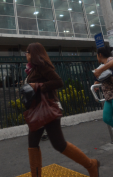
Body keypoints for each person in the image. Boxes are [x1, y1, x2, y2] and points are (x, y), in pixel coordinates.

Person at [25, 42, 100, 177]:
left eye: (28, 52)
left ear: (34, 54)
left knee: (59, 144)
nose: (26, 54)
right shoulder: (33, 69)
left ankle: (91, 164)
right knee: (32, 144)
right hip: (37, 110)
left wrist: (37, 86)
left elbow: (58, 82)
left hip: (48, 108)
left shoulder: (42, 66)